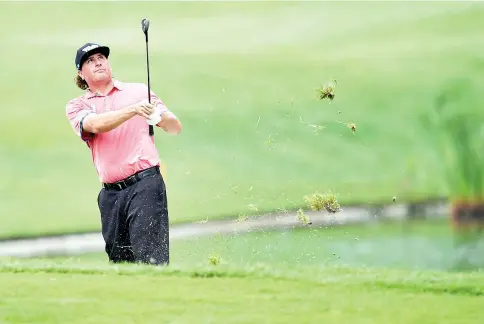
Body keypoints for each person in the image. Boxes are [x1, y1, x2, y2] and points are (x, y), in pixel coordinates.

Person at [65, 42, 182, 266]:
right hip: (110, 196)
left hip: (145, 185)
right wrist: (133, 110)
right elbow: (95, 125)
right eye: (90, 60)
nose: (98, 62)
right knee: (121, 265)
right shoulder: (77, 106)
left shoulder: (139, 91)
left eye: (101, 57)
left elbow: (175, 127)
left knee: (151, 261)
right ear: (81, 73)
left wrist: (158, 117)